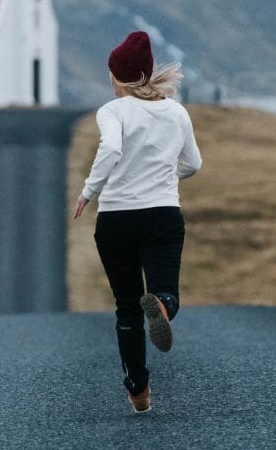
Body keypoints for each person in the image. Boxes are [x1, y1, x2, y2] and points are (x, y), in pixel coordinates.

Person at [73, 30, 202, 414]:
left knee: (126, 308)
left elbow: (111, 148)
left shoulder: (111, 111)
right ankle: (162, 306)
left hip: (116, 220)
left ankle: (138, 390)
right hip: (162, 214)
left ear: (119, 76)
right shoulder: (177, 111)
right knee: (164, 291)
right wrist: (161, 174)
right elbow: (193, 164)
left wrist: (87, 191)